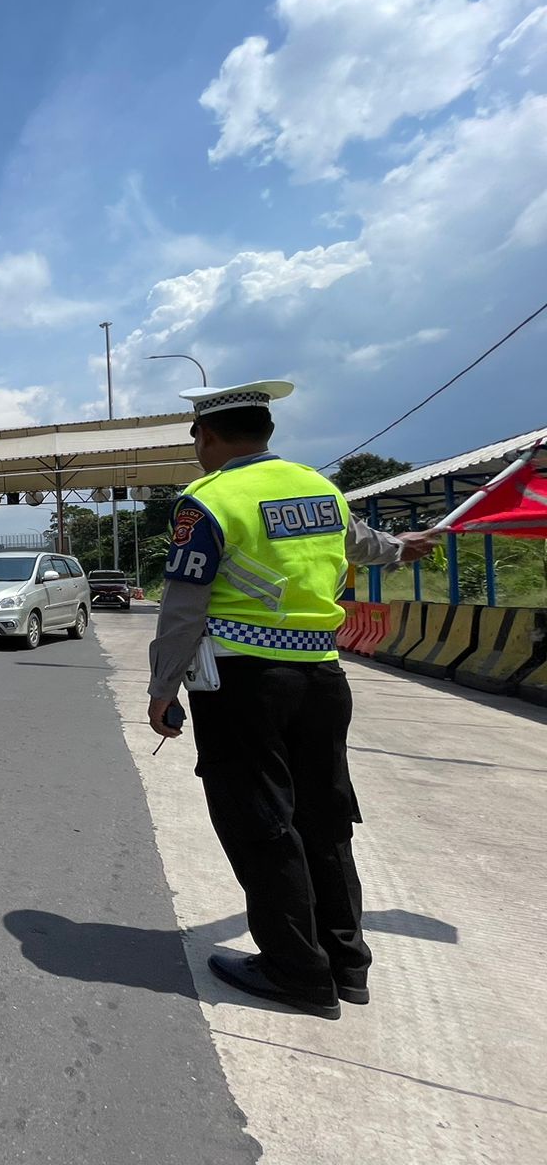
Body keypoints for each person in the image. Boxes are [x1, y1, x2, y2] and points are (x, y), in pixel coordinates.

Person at [146, 380, 439, 1020]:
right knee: (324, 818)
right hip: (322, 678)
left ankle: (293, 970)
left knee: (261, 822)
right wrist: (404, 546)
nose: (197, 448)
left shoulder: (209, 500)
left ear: (209, 435)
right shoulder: (318, 487)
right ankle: (345, 961)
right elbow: (363, 544)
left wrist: (162, 689)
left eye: (196, 436)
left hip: (244, 683)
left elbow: (183, 605)